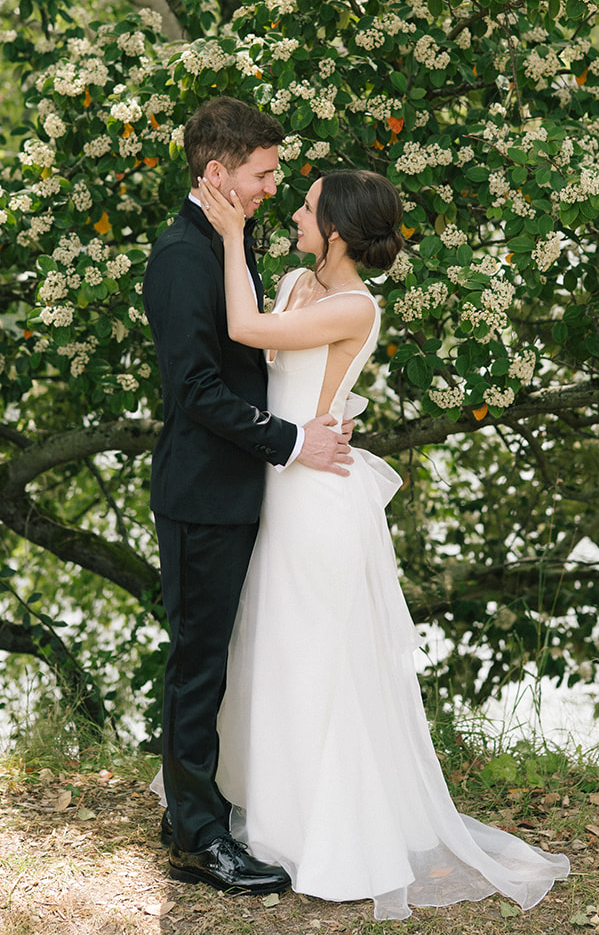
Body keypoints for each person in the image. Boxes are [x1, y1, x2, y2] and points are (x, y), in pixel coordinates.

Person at [198, 166, 571, 921]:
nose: (294, 217)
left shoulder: (351, 306)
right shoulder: (302, 282)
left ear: (335, 230)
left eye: (305, 210)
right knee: (275, 650)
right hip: (285, 480)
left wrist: (232, 235)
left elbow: (246, 332)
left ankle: (334, 838)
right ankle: (276, 819)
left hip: (316, 504)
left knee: (318, 660)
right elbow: (280, 376)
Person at [142, 97, 356, 895]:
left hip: (233, 490)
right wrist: (294, 442)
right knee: (198, 664)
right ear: (217, 173)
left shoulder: (220, 241)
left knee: (213, 659)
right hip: (202, 492)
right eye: (262, 174)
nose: (272, 186)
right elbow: (195, 389)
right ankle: (199, 840)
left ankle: (189, 810)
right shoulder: (181, 256)